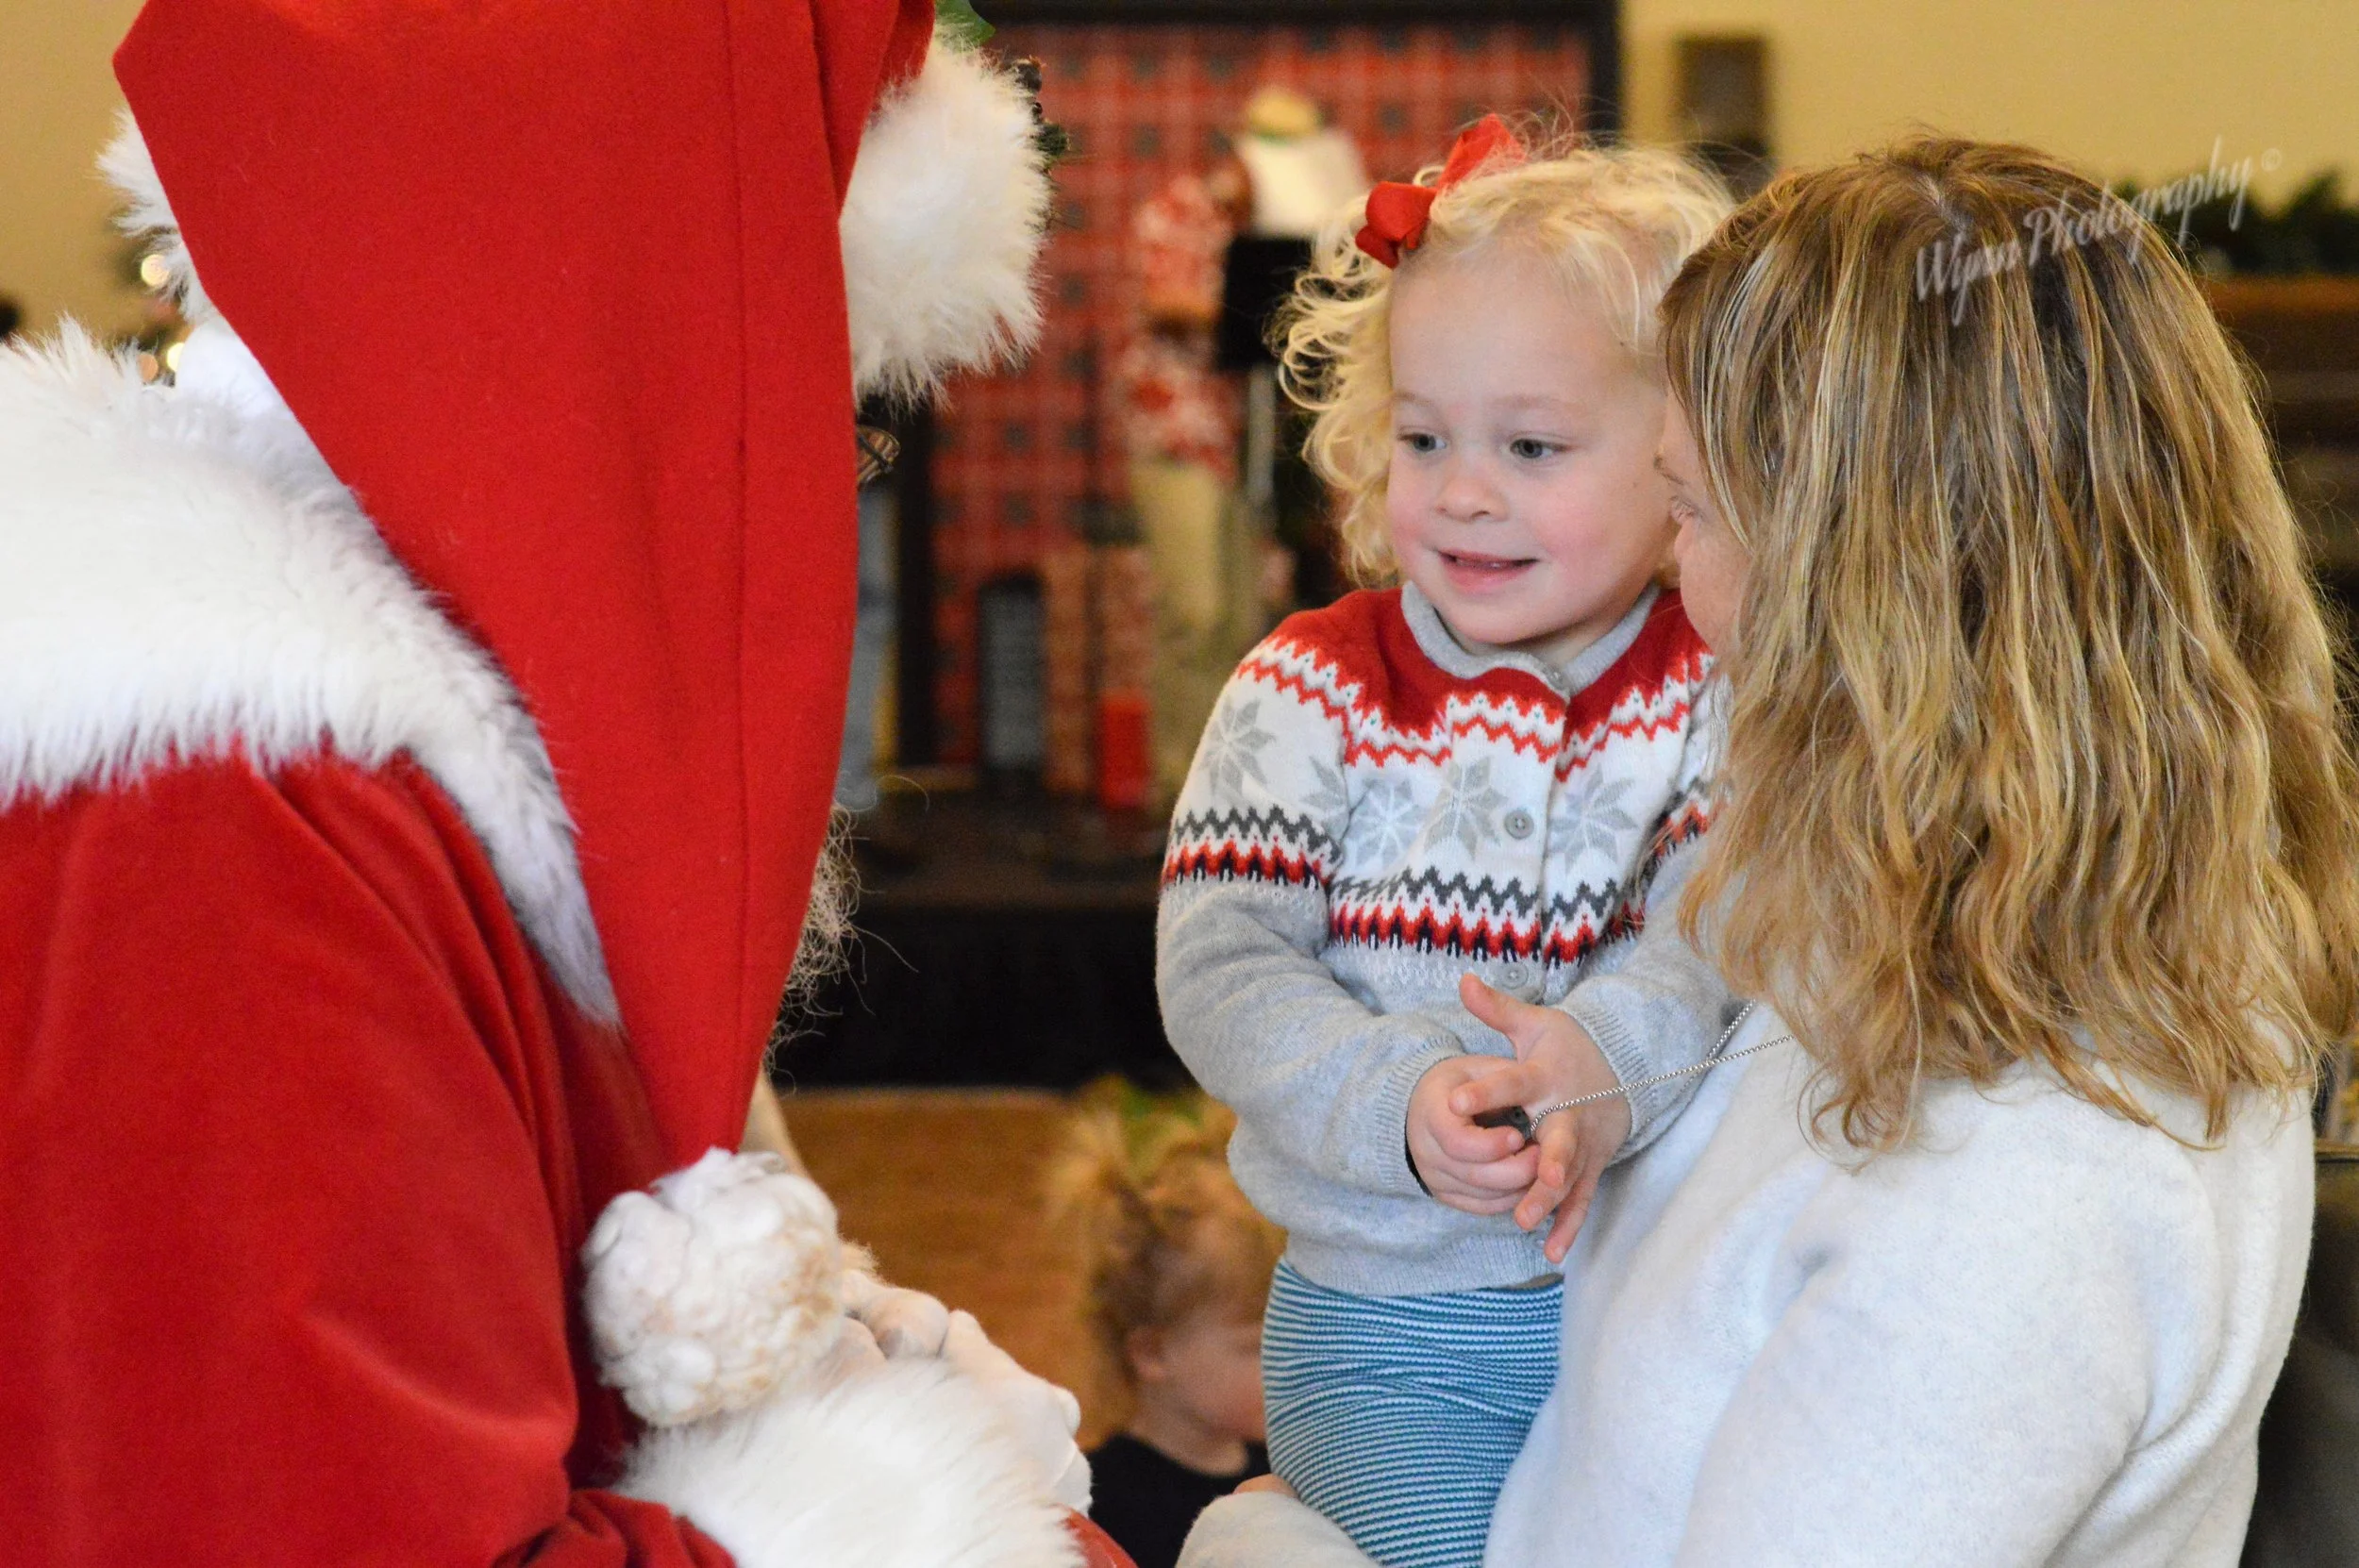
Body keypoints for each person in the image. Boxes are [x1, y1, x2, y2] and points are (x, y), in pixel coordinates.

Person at [0, 3, 1135, 1565]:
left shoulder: (353, 771)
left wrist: (865, 1376)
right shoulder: (224, 819)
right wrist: (937, 1511)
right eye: (812, 421)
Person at [1181, 135, 2355, 1568]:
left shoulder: (2018, 1202)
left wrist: (1266, 1557)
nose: (1676, 586)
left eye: (1686, 505)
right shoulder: (1879, 915)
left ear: (1854, 573)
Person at [1155, 117, 1735, 1568]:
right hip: (1387, 1334)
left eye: (1531, 445)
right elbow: (1222, 959)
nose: (1464, 488)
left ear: (1683, 462)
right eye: (1424, 438)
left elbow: (1723, 929)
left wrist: (1595, 1058)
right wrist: (1393, 1097)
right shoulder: (1308, 684)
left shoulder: (1712, 686)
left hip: (1646, 1305)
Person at [1051, 1089, 1285, 1568]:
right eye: (1262, 1346)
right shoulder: (1095, 1503)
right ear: (1154, 1353)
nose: (1296, 1365)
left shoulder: (1284, 1471)